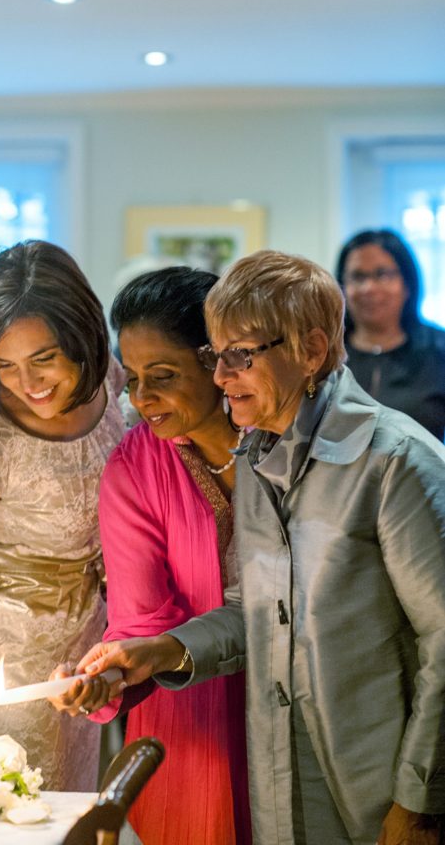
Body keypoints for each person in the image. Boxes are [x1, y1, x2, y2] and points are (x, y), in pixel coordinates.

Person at [79, 249, 445, 845]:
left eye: (239, 357)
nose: (222, 378)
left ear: (311, 350)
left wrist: (420, 799)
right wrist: (160, 651)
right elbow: (259, 610)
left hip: (378, 780)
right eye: (216, 357)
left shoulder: (395, 461)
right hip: (286, 775)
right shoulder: (260, 456)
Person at [50, 267, 251, 844]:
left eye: (162, 376)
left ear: (218, 363)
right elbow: (140, 621)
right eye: (133, 378)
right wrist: (107, 673)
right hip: (191, 721)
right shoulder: (135, 465)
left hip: (297, 701)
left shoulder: (280, 443)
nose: (141, 398)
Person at [0, 240, 126, 791]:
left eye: (43, 359)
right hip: (5, 665)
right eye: (6, 366)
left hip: (89, 650)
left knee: (76, 805)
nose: (28, 384)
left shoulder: (113, 386)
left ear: (81, 337)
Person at [336, 228, 445, 440]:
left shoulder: (439, 348)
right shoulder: (325, 355)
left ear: (407, 284)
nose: (369, 288)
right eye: (357, 276)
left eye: (383, 274)